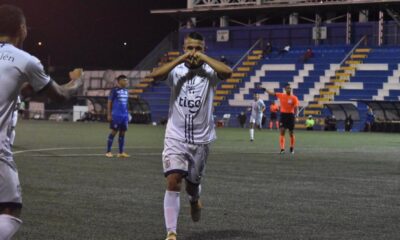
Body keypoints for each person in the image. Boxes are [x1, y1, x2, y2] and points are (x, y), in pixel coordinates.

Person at [0, 5, 83, 239]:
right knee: (10, 211)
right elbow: (60, 95)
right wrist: (77, 82)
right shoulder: (26, 60)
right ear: (21, 29)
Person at [148, 31, 232, 240]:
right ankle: (171, 233)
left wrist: (202, 57)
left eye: (198, 48)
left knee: (192, 186)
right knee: (173, 180)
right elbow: (155, 75)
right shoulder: (176, 71)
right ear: (183, 49)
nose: (193, 52)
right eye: (189, 48)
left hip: (201, 139)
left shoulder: (210, 73)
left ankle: (194, 200)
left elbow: (228, 72)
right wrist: (181, 58)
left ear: (204, 51)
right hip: (175, 136)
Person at [265, 83, 299, 154]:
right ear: (285, 89)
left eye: (290, 88)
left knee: (291, 133)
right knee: (282, 131)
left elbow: (296, 108)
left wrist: (296, 115)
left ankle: (292, 147)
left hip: (291, 116)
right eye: (287, 88)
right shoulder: (281, 95)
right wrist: (265, 90)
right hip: (283, 115)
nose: (289, 89)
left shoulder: (294, 98)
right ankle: (282, 149)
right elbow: (272, 93)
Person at [105, 75, 130, 158]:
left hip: (124, 116)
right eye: (124, 80)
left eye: (126, 80)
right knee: (114, 132)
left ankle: (121, 152)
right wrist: (109, 114)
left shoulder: (126, 91)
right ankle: (108, 151)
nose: (126, 82)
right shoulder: (114, 90)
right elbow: (109, 102)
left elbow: (126, 103)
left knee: (123, 133)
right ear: (119, 81)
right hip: (116, 115)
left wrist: (128, 113)